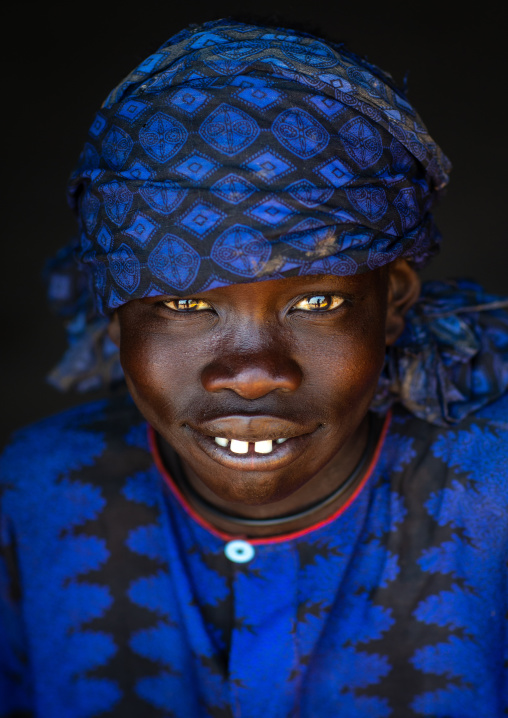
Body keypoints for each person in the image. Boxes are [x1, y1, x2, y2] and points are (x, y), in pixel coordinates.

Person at [1, 18, 507, 718]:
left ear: (392, 302)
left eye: (317, 301)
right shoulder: (37, 494)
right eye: (184, 301)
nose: (253, 374)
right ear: (113, 308)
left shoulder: (492, 499)